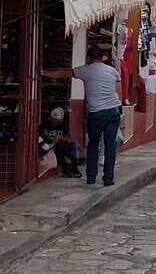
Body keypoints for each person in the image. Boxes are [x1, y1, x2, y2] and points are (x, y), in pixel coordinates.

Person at [43, 46, 122, 186]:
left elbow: (64, 74)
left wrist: (44, 73)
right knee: (110, 146)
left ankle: (91, 178)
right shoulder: (113, 71)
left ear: (89, 57)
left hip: (96, 113)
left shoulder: (85, 70)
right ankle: (108, 179)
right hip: (113, 111)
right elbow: (118, 92)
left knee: (93, 144)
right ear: (102, 57)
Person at [39, 107, 81, 178]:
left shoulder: (62, 125)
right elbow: (40, 139)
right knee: (62, 152)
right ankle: (70, 169)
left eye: (58, 121)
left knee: (73, 145)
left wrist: (59, 138)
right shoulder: (44, 126)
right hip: (47, 147)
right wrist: (51, 140)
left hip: (59, 146)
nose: (56, 123)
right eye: (54, 120)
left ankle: (71, 168)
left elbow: (68, 139)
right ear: (50, 119)